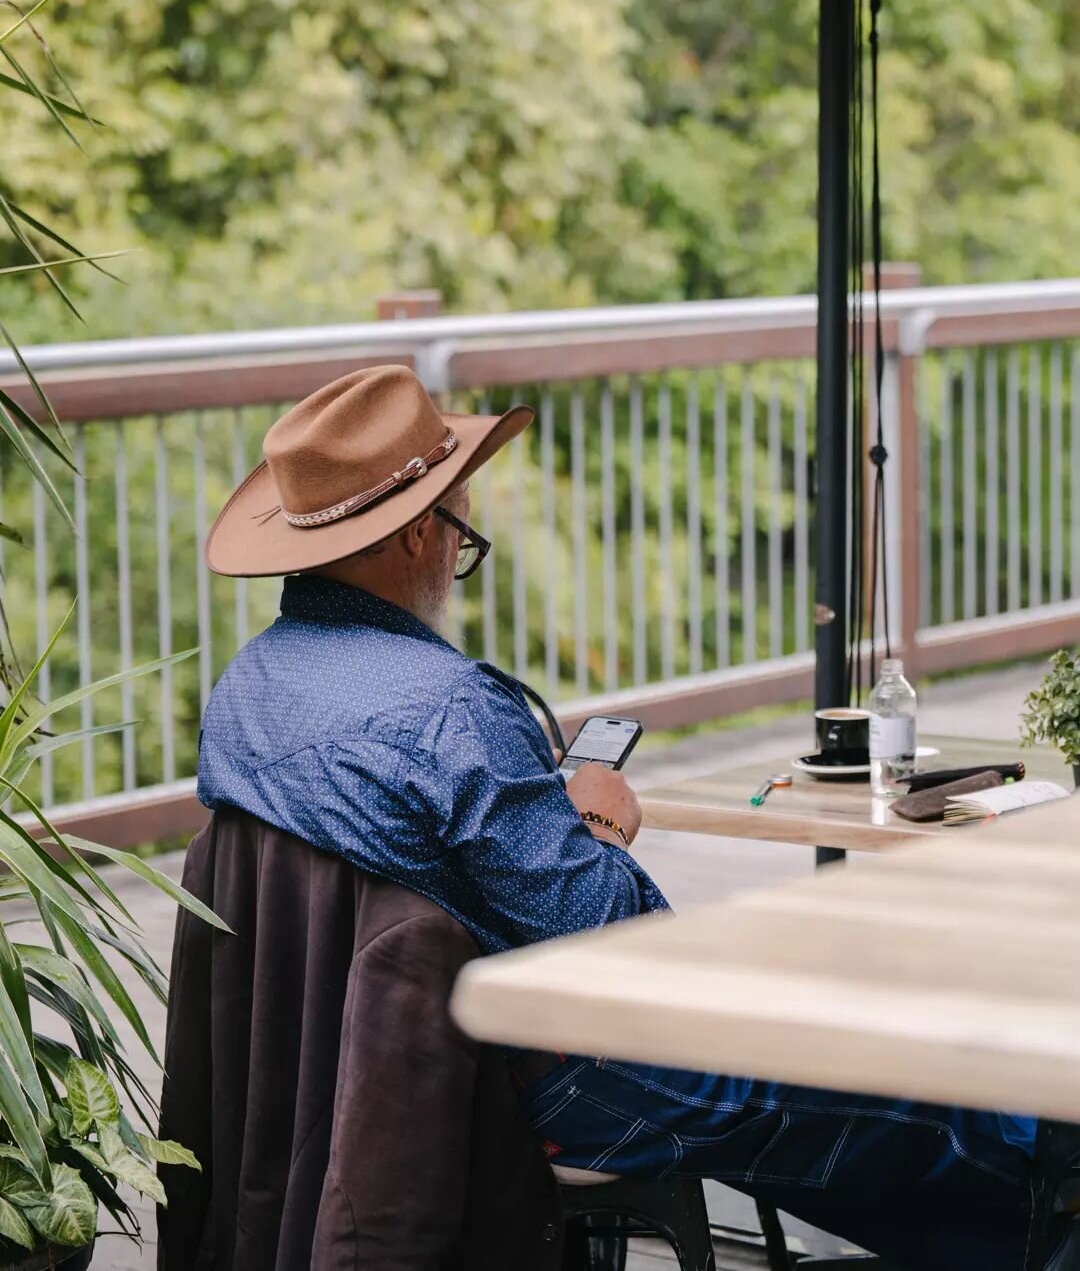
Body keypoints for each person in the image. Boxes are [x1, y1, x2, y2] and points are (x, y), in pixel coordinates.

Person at [199, 364, 1075, 1271]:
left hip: (362, 1079)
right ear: (421, 532)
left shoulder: (244, 693)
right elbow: (618, 945)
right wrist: (604, 826)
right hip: (560, 1078)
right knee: (961, 1089)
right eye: (462, 530)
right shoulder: (449, 712)